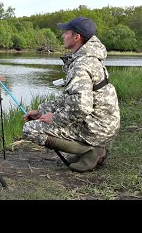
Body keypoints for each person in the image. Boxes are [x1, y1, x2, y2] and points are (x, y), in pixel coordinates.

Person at [22, 16, 120, 173]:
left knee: (30, 129)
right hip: (104, 124)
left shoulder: (81, 65)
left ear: (77, 37)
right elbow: (70, 98)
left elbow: (81, 107)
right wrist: (42, 111)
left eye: (66, 32)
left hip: (97, 129)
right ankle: (86, 150)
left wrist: (54, 118)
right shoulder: (89, 59)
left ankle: (91, 151)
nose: (63, 36)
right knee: (46, 122)